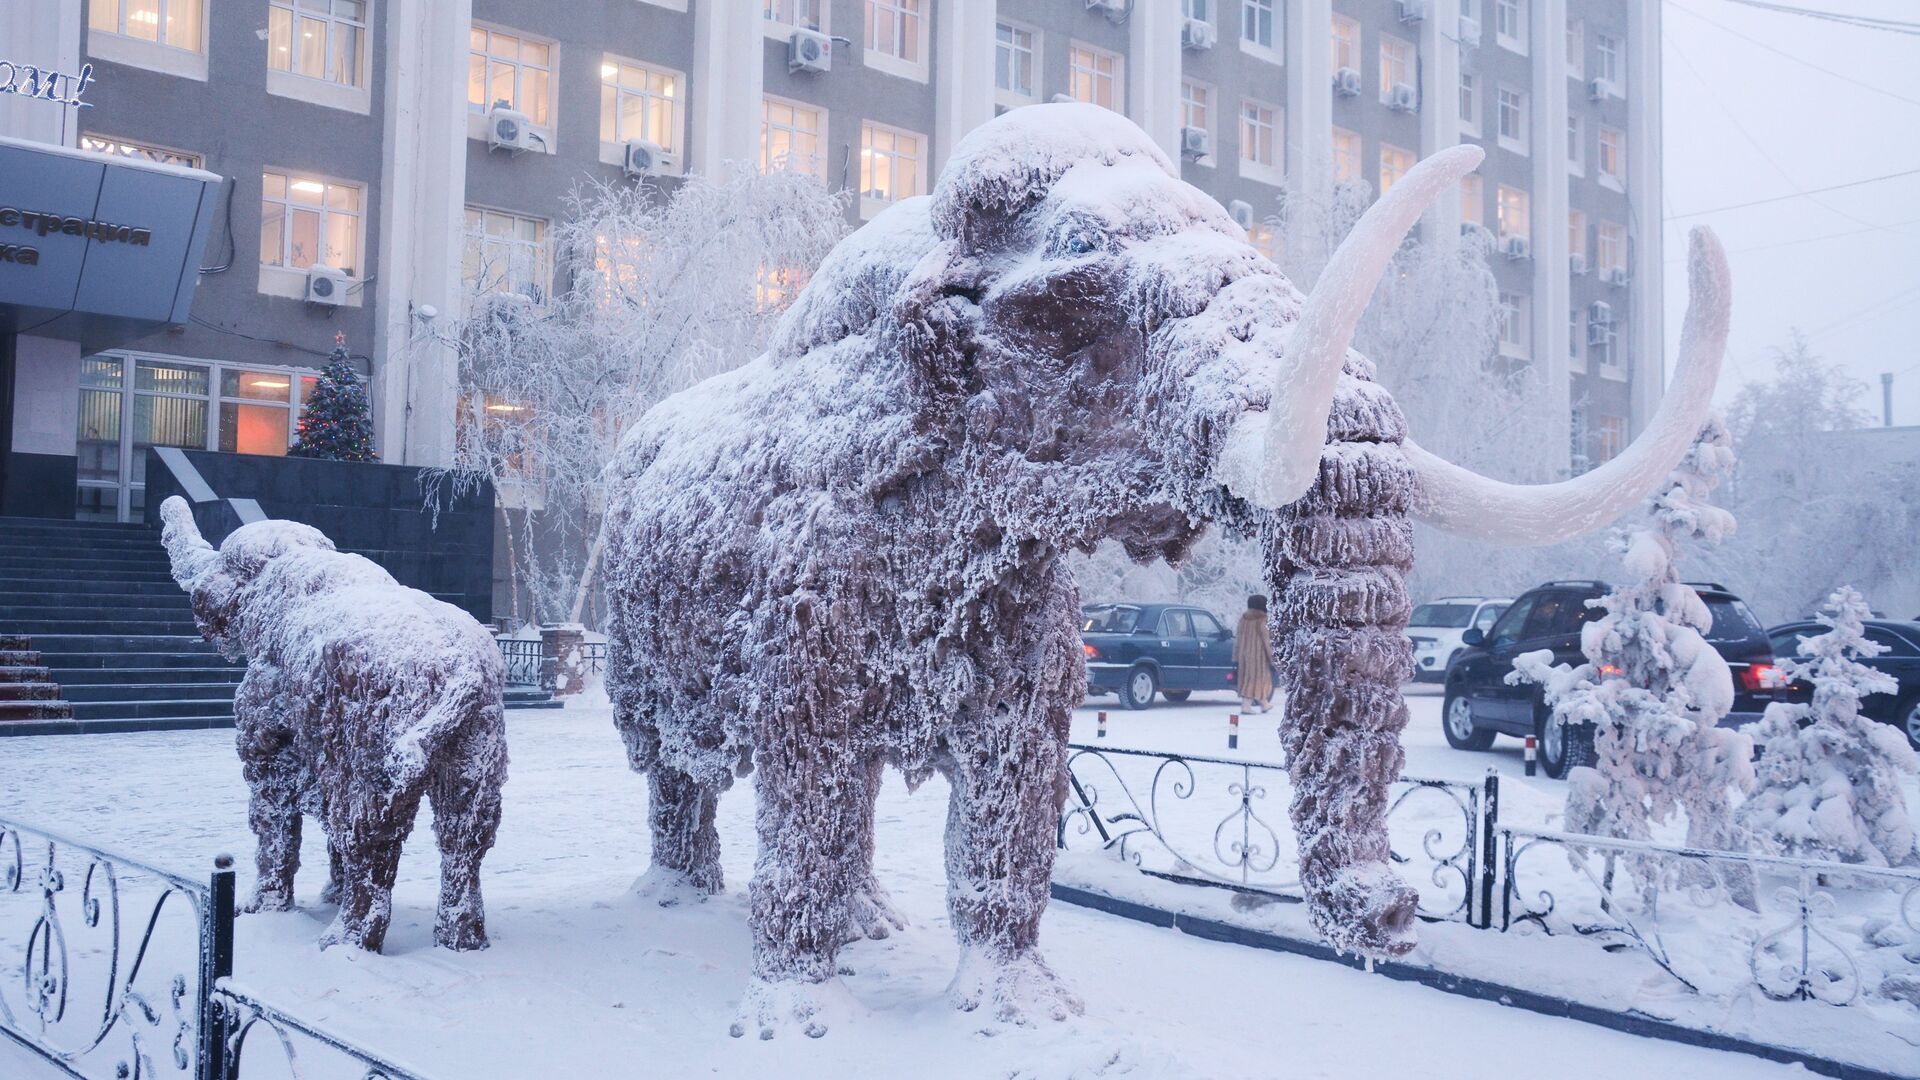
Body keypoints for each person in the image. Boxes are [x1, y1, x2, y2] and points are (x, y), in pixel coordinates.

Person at [1235, 595, 1275, 713]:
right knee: (1259, 680)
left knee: (1249, 679)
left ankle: (1264, 703)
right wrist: (1272, 656)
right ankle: (1247, 705)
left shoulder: (1243, 619)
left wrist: (1237, 656)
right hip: (1259, 656)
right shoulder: (1262, 620)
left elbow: (1238, 638)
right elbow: (1267, 640)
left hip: (1245, 656)